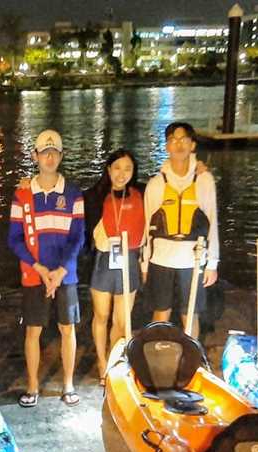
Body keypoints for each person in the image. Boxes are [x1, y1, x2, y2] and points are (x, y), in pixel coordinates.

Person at [9, 129, 85, 408]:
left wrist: (61, 271)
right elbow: (14, 239)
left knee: (68, 328)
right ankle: (32, 386)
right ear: (35, 156)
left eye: (54, 151)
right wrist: (40, 269)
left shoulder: (75, 193)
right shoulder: (22, 195)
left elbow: (78, 236)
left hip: (66, 275)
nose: (49, 156)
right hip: (34, 273)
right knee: (33, 330)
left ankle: (68, 384)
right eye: (44, 151)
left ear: (61, 156)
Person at [143, 122, 219, 337]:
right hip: (161, 259)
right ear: (166, 146)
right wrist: (144, 262)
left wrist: (212, 263)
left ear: (192, 145)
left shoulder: (204, 180)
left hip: (192, 259)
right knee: (161, 313)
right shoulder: (156, 183)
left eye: (183, 139)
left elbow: (212, 222)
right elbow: (146, 226)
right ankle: (156, 358)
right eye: (173, 140)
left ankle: (191, 361)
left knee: (190, 314)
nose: (178, 144)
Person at [83, 149, 144, 385]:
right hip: (103, 260)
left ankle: (113, 360)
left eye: (127, 169)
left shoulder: (141, 193)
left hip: (128, 259)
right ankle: (100, 361)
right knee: (101, 314)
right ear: (108, 170)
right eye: (117, 168)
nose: (122, 174)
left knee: (121, 319)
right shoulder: (94, 196)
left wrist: (198, 171)